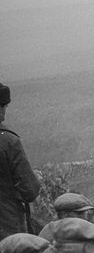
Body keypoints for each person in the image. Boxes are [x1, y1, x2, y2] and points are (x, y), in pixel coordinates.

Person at [0, 82, 42, 240]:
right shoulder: (9, 142)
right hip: (8, 228)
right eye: (4, 106)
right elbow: (30, 190)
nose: (4, 111)